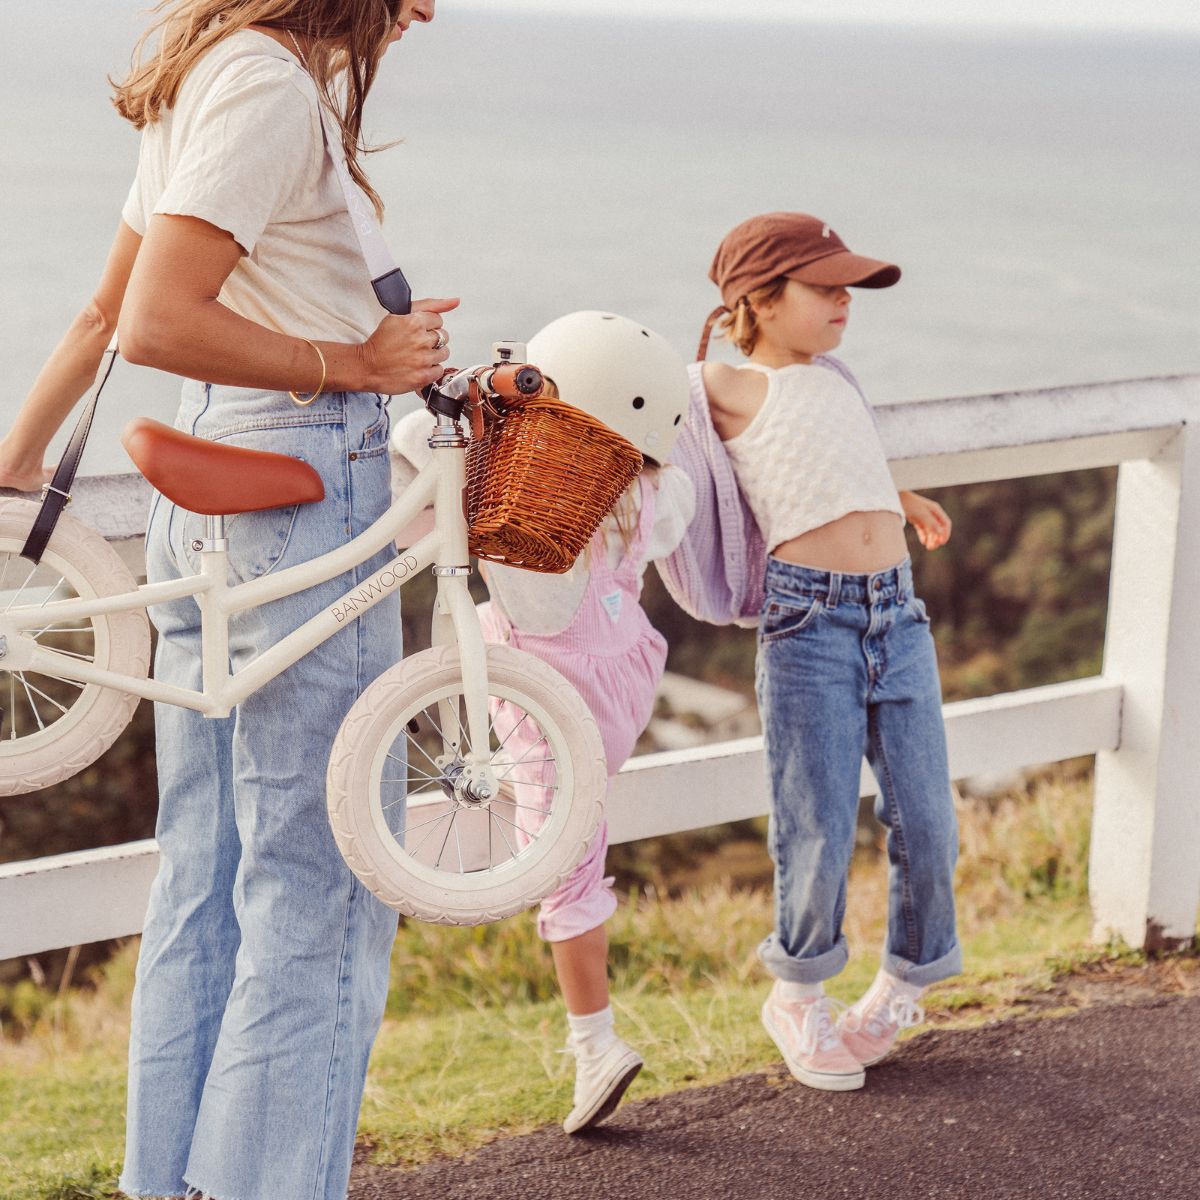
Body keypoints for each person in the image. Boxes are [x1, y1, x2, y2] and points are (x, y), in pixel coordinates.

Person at [0, 3, 457, 1197]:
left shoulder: (209, 75)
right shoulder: (263, 86)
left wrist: (16, 463)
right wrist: (358, 363)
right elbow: (159, 323)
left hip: (212, 488)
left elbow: (104, 312)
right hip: (302, 478)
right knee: (322, 879)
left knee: (206, 879)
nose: (421, 12)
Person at [392, 311, 695, 1132]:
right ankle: (589, 1037)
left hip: (541, 681)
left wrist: (482, 403)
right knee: (577, 838)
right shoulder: (656, 490)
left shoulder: (519, 486)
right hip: (623, 676)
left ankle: (594, 1041)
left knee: (562, 862)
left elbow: (420, 439)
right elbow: (674, 520)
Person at [688, 212, 959, 1092]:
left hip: (897, 614)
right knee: (816, 818)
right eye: (825, 287)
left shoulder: (834, 377)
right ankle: (799, 991)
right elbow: (618, 390)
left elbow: (832, 461)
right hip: (811, 626)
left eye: (850, 286)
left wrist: (899, 496)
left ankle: (902, 983)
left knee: (926, 816)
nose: (846, 300)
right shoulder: (719, 382)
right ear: (758, 302)